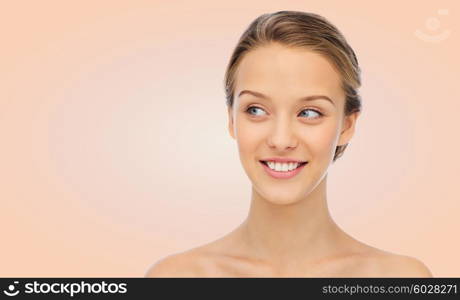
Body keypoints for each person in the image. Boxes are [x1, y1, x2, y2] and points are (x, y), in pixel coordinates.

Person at [146, 10, 432, 277]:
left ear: (347, 125)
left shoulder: (400, 278)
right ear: (233, 121)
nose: (281, 140)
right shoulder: (176, 277)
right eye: (256, 110)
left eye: (309, 113)